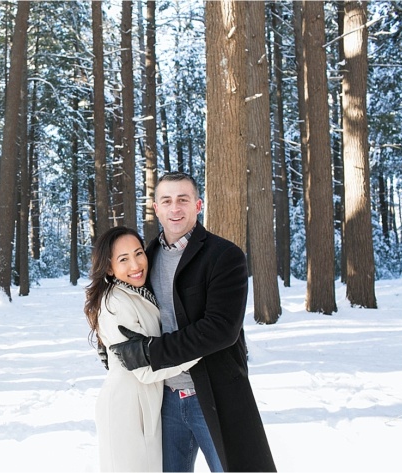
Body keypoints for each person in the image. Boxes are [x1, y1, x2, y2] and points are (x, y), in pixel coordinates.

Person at [108, 172, 276, 472]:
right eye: (167, 201)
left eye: (183, 200)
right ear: (156, 208)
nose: (175, 209)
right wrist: (109, 345)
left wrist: (149, 352)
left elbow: (221, 330)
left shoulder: (224, 256)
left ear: (198, 205)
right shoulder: (147, 257)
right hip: (165, 401)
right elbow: (127, 305)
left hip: (214, 396)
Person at [86, 226, 199, 471]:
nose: (135, 265)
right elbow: (144, 369)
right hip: (126, 408)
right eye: (123, 259)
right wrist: (198, 348)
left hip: (145, 403)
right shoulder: (115, 301)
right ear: (108, 267)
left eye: (138, 253)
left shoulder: (137, 292)